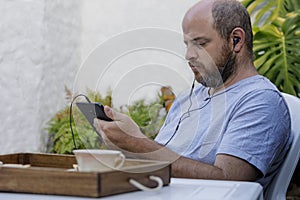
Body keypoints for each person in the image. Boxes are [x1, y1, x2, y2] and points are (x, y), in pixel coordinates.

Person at [93, 0, 292, 191]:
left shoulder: (260, 101)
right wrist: (132, 138)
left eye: (200, 43)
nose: (188, 55)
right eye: (187, 44)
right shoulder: (188, 99)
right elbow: (165, 160)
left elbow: (229, 181)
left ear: (236, 40)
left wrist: (138, 145)